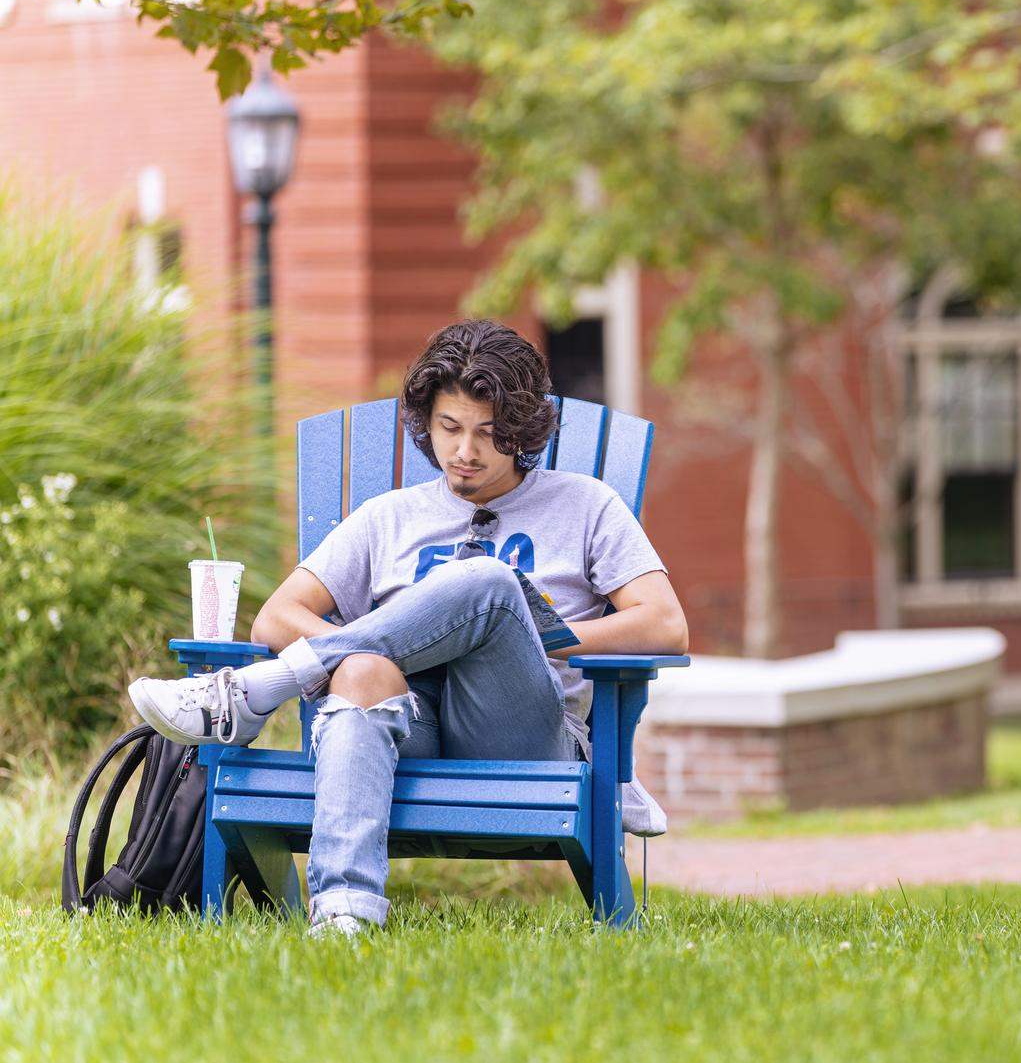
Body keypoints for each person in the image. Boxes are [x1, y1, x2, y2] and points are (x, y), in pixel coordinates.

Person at [127, 319, 689, 936]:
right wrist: (368, 650)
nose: (465, 452)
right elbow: (278, 614)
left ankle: (258, 690)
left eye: (489, 434)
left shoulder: (584, 505)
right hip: (405, 729)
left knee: (491, 582)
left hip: (525, 736)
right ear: (428, 422)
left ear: (523, 434)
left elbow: (665, 624)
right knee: (365, 668)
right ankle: (345, 911)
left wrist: (540, 634)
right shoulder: (388, 517)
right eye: (449, 428)